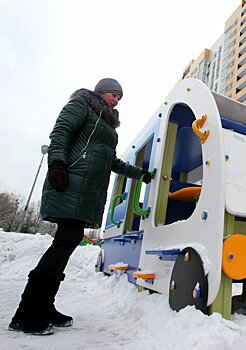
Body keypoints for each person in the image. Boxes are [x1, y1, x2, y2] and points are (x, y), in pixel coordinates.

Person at [9, 78, 152, 335]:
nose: (117, 99)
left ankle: (44, 306)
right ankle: (26, 313)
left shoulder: (108, 127)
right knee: (64, 241)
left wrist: (139, 173)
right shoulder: (82, 105)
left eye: (120, 97)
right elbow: (61, 131)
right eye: (113, 94)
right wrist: (57, 163)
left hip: (88, 193)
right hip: (70, 182)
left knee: (69, 240)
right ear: (100, 92)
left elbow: (112, 161)